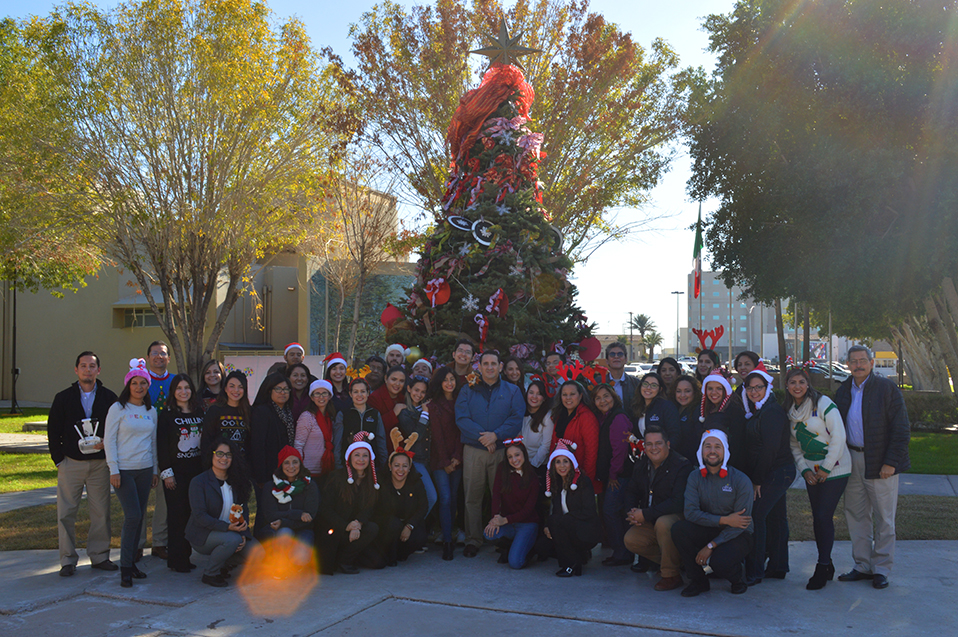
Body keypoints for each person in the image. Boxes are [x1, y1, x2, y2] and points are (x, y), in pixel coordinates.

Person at [833, 345, 910, 590]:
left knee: (884, 517)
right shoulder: (842, 391)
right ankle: (862, 565)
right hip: (851, 459)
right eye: (853, 361)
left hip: (880, 461)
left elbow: (901, 429)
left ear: (871, 363)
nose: (858, 365)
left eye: (862, 360)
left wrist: (891, 462)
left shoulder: (887, 389)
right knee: (856, 514)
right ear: (847, 364)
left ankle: (881, 569)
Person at [48, 351, 119, 577]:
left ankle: (99, 556)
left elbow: (117, 428)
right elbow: (53, 430)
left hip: (99, 465)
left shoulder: (109, 398)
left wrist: (107, 446)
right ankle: (67, 560)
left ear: (99, 370)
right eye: (84, 366)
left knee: (101, 513)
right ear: (76, 369)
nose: (88, 370)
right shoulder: (63, 397)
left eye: (92, 366)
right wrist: (59, 460)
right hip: (71, 464)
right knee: (66, 513)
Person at [783, 367, 851, 590]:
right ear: (787, 385)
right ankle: (827, 563)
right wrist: (805, 471)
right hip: (812, 472)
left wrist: (826, 468)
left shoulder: (822, 404)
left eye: (801, 382)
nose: (797, 386)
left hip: (835, 469)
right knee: (818, 518)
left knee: (823, 516)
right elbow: (794, 445)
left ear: (808, 383)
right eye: (793, 382)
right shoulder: (790, 410)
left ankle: (821, 567)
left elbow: (839, 436)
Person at [456, 350, 525, 557]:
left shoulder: (512, 391)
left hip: (501, 452)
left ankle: (501, 537)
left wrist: (495, 435)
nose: (489, 367)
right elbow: (462, 418)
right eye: (485, 363)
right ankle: (473, 539)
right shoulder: (468, 390)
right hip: (474, 450)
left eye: (493, 363)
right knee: (472, 497)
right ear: (479, 366)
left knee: (503, 495)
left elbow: (516, 418)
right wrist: (484, 439)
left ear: (500, 366)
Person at [671, 430, 753, 597]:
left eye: (718, 446)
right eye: (707, 446)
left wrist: (711, 545)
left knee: (719, 562)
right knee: (679, 529)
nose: (712, 451)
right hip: (712, 526)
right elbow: (690, 513)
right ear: (701, 451)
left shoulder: (741, 480)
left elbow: (741, 523)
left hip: (738, 533)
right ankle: (698, 581)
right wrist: (724, 520)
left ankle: (737, 578)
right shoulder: (694, 477)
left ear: (725, 451)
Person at [104, 359, 158, 587]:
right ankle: (125, 567)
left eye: (143, 383)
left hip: (144, 470)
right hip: (124, 471)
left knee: (140, 517)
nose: (139, 387)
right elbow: (109, 440)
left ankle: (133, 563)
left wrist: (154, 470)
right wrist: (113, 469)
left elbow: (153, 442)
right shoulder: (118, 408)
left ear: (148, 386)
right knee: (133, 516)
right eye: (134, 383)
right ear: (128, 385)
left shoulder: (151, 411)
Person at [741, 368, 796, 585]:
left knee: (757, 515)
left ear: (767, 388)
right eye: (750, 388)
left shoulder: (771, 411)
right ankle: (778, 566)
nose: (754, 391)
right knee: (776, 518)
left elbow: (769, 450)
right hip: (775, 471)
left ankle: (755, 570)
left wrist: (758, 480)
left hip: (777, 471)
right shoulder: (759, 409)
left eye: (759, 387)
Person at [623, 426, 692, 591]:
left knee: (663, 523)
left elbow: (678, 502)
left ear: (668, 444)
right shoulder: (642, 464)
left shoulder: (682, 465)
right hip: (652, 516)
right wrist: (632, 512)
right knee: (631, 539)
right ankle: (678, 561)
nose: (653, 448)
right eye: (649, 444)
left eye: (658, 443)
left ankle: (671, 575)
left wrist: (645, 514)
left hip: (678, 518)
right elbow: (632, 491)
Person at [185, 437, 254, 587]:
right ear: (212, 455)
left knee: (258, 554)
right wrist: (228, 528)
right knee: (231, 540)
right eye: (220, 453)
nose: (224, 458)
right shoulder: (199, 482)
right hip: (204, 534)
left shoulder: (237, 481)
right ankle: (210, 573)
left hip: (233, 532)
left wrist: (243, 533)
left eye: (228, 455)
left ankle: (223, 563)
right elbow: (200, 516)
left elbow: (244, 511)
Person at [157, 374, 205, 573]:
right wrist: (166, 473)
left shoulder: (200, 412)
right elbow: (161, 445)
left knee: (191, 515)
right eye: (179, 388)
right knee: (177, 516)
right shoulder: (167, 414)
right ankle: (177, 560)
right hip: (175, 474)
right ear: (173, 391)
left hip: (197, 472)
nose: (183, 392)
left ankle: (186, 555)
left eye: (187, 388)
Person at [318, 432, 384, 574]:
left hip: (357, 530)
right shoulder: (336, 477)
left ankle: (346, 559)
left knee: (378, 560)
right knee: (327, 565)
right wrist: (346, 526)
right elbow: (325, 508)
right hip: (336, 528)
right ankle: (340, 558)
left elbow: (369, 507)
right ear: (350, 457)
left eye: (365, 455)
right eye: (357, 455)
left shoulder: (372, 481)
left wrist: (358, 523)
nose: (361, 459)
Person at [538, 439, 601, 577]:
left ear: (572, 463)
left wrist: (563, 521)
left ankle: (569, 565)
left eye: (565, 461)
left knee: (558, 521)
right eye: (558, 462)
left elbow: (589, 512)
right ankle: (578, 557)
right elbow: (556, 511)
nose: (562, 466)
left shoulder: (583, 482)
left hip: (586, 529)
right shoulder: (556, 483)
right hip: (565, 528)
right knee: (542, 544)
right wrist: (548, 526)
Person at [592, 383, 634, 567]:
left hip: (619, 476)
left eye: (606, 396)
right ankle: (623, 551)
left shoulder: (618, 418)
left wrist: (613, 475)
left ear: (614, 397)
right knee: (615, 512)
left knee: (610, 511)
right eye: (598, 398)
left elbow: (620, 450)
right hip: (613, 475)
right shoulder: (604, 417)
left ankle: (622, 553)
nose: (603, 401)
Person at [484, 439, 539, 570]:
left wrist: (505, 520)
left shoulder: (533, 477)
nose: (514, 460)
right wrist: (495, 518)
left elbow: (528, 510)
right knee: (489, 533)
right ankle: (511, 546)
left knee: (515, 563)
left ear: (524, 454)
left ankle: (529, 550)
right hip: (508, 522)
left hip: (527, 524)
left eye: (517, 455)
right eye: (510, 456)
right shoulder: (502, 469)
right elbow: (496, 495)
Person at [426, 366, 463, 560]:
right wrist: (446, 462)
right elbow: (437, 436)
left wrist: (457, 457)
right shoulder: (433, 405)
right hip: (440, 459)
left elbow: (461, 430)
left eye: (452, 379)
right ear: (439, 383)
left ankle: (451, 532)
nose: (449, 383)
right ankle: (447, 541)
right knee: (445, 498)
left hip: (458, 457)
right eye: (445, 380)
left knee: (454, 497)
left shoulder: (461, 402)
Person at [376, 435, 428, 565]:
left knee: (420, 536)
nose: (400, 470)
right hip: (387, 525)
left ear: (410, 467)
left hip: (407, 523)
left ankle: (402, 553)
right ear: (390, 466)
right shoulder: (381, 482)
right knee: (393, 525)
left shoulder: (416, 482)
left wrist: (410, 526)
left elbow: (423, 506)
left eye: (405, 466)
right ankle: (389, 553)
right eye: (396, 465)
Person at [249, 374, 295, 515]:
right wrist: (261, 477)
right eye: (278, 389)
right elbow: (257, 446)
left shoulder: (288, 412)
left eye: (286, 389)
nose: (282, 392)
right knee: (267, 512)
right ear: (269, 391)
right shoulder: (262, 411)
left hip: (284, 471)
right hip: (267, 473)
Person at [255, 446, 319, 544]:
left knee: (302, 549)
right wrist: (298, 514)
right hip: (276, 529)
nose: (291, 466)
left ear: (300, 464)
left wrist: (283, 521)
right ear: (281, 465)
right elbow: (271, 515)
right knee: (285, 533)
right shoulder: (270, 486)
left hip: (303, 528)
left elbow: (309, 517)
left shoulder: (310, 485)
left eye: (295, 462)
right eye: (286, 463)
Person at [144, 341, 172, 559]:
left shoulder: (175, 382)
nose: (158, 357)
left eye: (162, 353)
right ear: (148, 358)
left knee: (164, 499)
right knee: (139, 501)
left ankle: (160, 542)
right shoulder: (140, 381)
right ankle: (136, 544)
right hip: (142, 448)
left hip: (168, 448)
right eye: (154, 353)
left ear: (168, 358)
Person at [396, 375, 438, 515]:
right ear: (409, 389)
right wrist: (425, 413)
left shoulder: (429, 408)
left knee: (422, 499)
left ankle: (416, 525)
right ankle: (412, 525)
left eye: (423, 392)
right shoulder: (404, 412)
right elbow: (415, 436)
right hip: (414, 460)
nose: (419, 394)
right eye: (416, 390)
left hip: (429, 460)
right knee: (431, 497)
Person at [550, 380, 599, 487]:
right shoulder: (560, 415)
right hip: (560, 473)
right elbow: (554, 444)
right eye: (564, 394)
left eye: (572, 394)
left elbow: (591, 453)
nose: (568, 398)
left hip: (578, 477)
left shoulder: (587, 417)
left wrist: (586, 481)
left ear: (580, 396)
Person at [333, 377, 388, 469]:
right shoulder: (343, 414)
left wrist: (383, 465)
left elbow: (381, 440)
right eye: (356, 392)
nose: (359, 395)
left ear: (368, 393)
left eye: (363, 391)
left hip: (371, 464)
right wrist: (338, 465)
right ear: (350, 394)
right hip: (347, 464)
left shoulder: (374, 414)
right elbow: (337, 442)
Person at [201, 370, 252, 462]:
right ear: (225, 388)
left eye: (240, 387)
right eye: (232, 386)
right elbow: (206, 441)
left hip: (243, 464)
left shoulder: (250, 412)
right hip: (220, 463)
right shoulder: (215, 410)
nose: (236, 390)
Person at [295, 380, 336, 477]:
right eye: (317, 394)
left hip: (326, 470)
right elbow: (298, 445)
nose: (321, 397)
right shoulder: (307, 417)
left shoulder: (331, 418)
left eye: (324, 393)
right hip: (308, 471)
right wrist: (299, 469)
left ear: (329, 396)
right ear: (312, 398)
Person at [632, 371, 680, 443]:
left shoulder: (667, 407)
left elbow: (674, 435)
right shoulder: (636, 407)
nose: (648, 388)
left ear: (660, 389)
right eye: (645, 384)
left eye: (653, 385)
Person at [369, 366, 407, 449]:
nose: (397, 384)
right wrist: (393, 413)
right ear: (386, 379)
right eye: (394, 379)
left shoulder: (405, 398)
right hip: (382, 447)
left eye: (401, 381)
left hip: (401, 448)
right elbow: (374, 426)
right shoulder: (374, 398)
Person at [520, 379, 554, 471]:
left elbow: (546, 446)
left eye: (539, 394)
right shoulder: (520, 412)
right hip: (519, 462)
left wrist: (532, 466)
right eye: (531, 392)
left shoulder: (547, 417)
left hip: (537, 466)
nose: (534, 397)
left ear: (544, 398)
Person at [604, 342, 640, 421]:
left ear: (626, 360)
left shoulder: (636, 384)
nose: (616, 357)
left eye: (620, 354)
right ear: (607, 361)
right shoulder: (599, 383)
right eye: (612, 354)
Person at [671, 375, 702, 461]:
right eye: (678, 391)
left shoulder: (698, 411)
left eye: (687, 391)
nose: (682, 395)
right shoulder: (673, 408)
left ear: (695, 392)